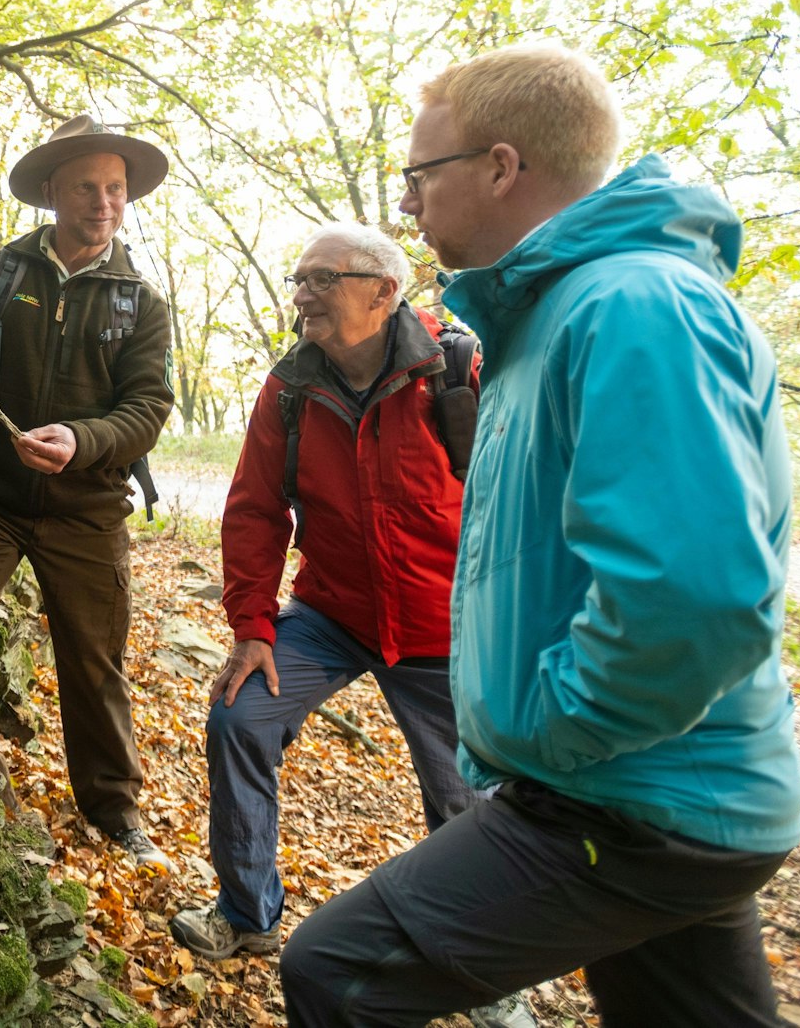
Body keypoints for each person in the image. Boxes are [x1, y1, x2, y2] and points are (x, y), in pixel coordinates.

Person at [279, 43, 800, 1028]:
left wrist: (551, 734)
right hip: (663, 793)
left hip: (630, 801)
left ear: (499, 167)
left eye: (417, 177)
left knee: (333, 972)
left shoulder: (630, 307)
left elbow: (690, 596)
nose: (406, 206)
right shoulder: (549, 318)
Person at [168, 224, 533, 1028]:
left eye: (320, 279)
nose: (301, 294)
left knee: (467, 803)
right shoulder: (290, 387)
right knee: (241, 713)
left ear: (383, 291)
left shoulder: (463, 368)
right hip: (332, 614)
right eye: (297, 279)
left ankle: (486, 972)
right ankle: (246, 911)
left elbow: (526, 505)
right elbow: (256, 512)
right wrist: (253, 627)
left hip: (446, 629)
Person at [0, 115, 177, 867]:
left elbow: (147, 408)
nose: (103, 202)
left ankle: (115, 810)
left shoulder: (141, 302)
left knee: (94, 659)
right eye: (87, 186)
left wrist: (83, 440)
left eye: (115, 188)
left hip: (88, 511)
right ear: (52, 191)